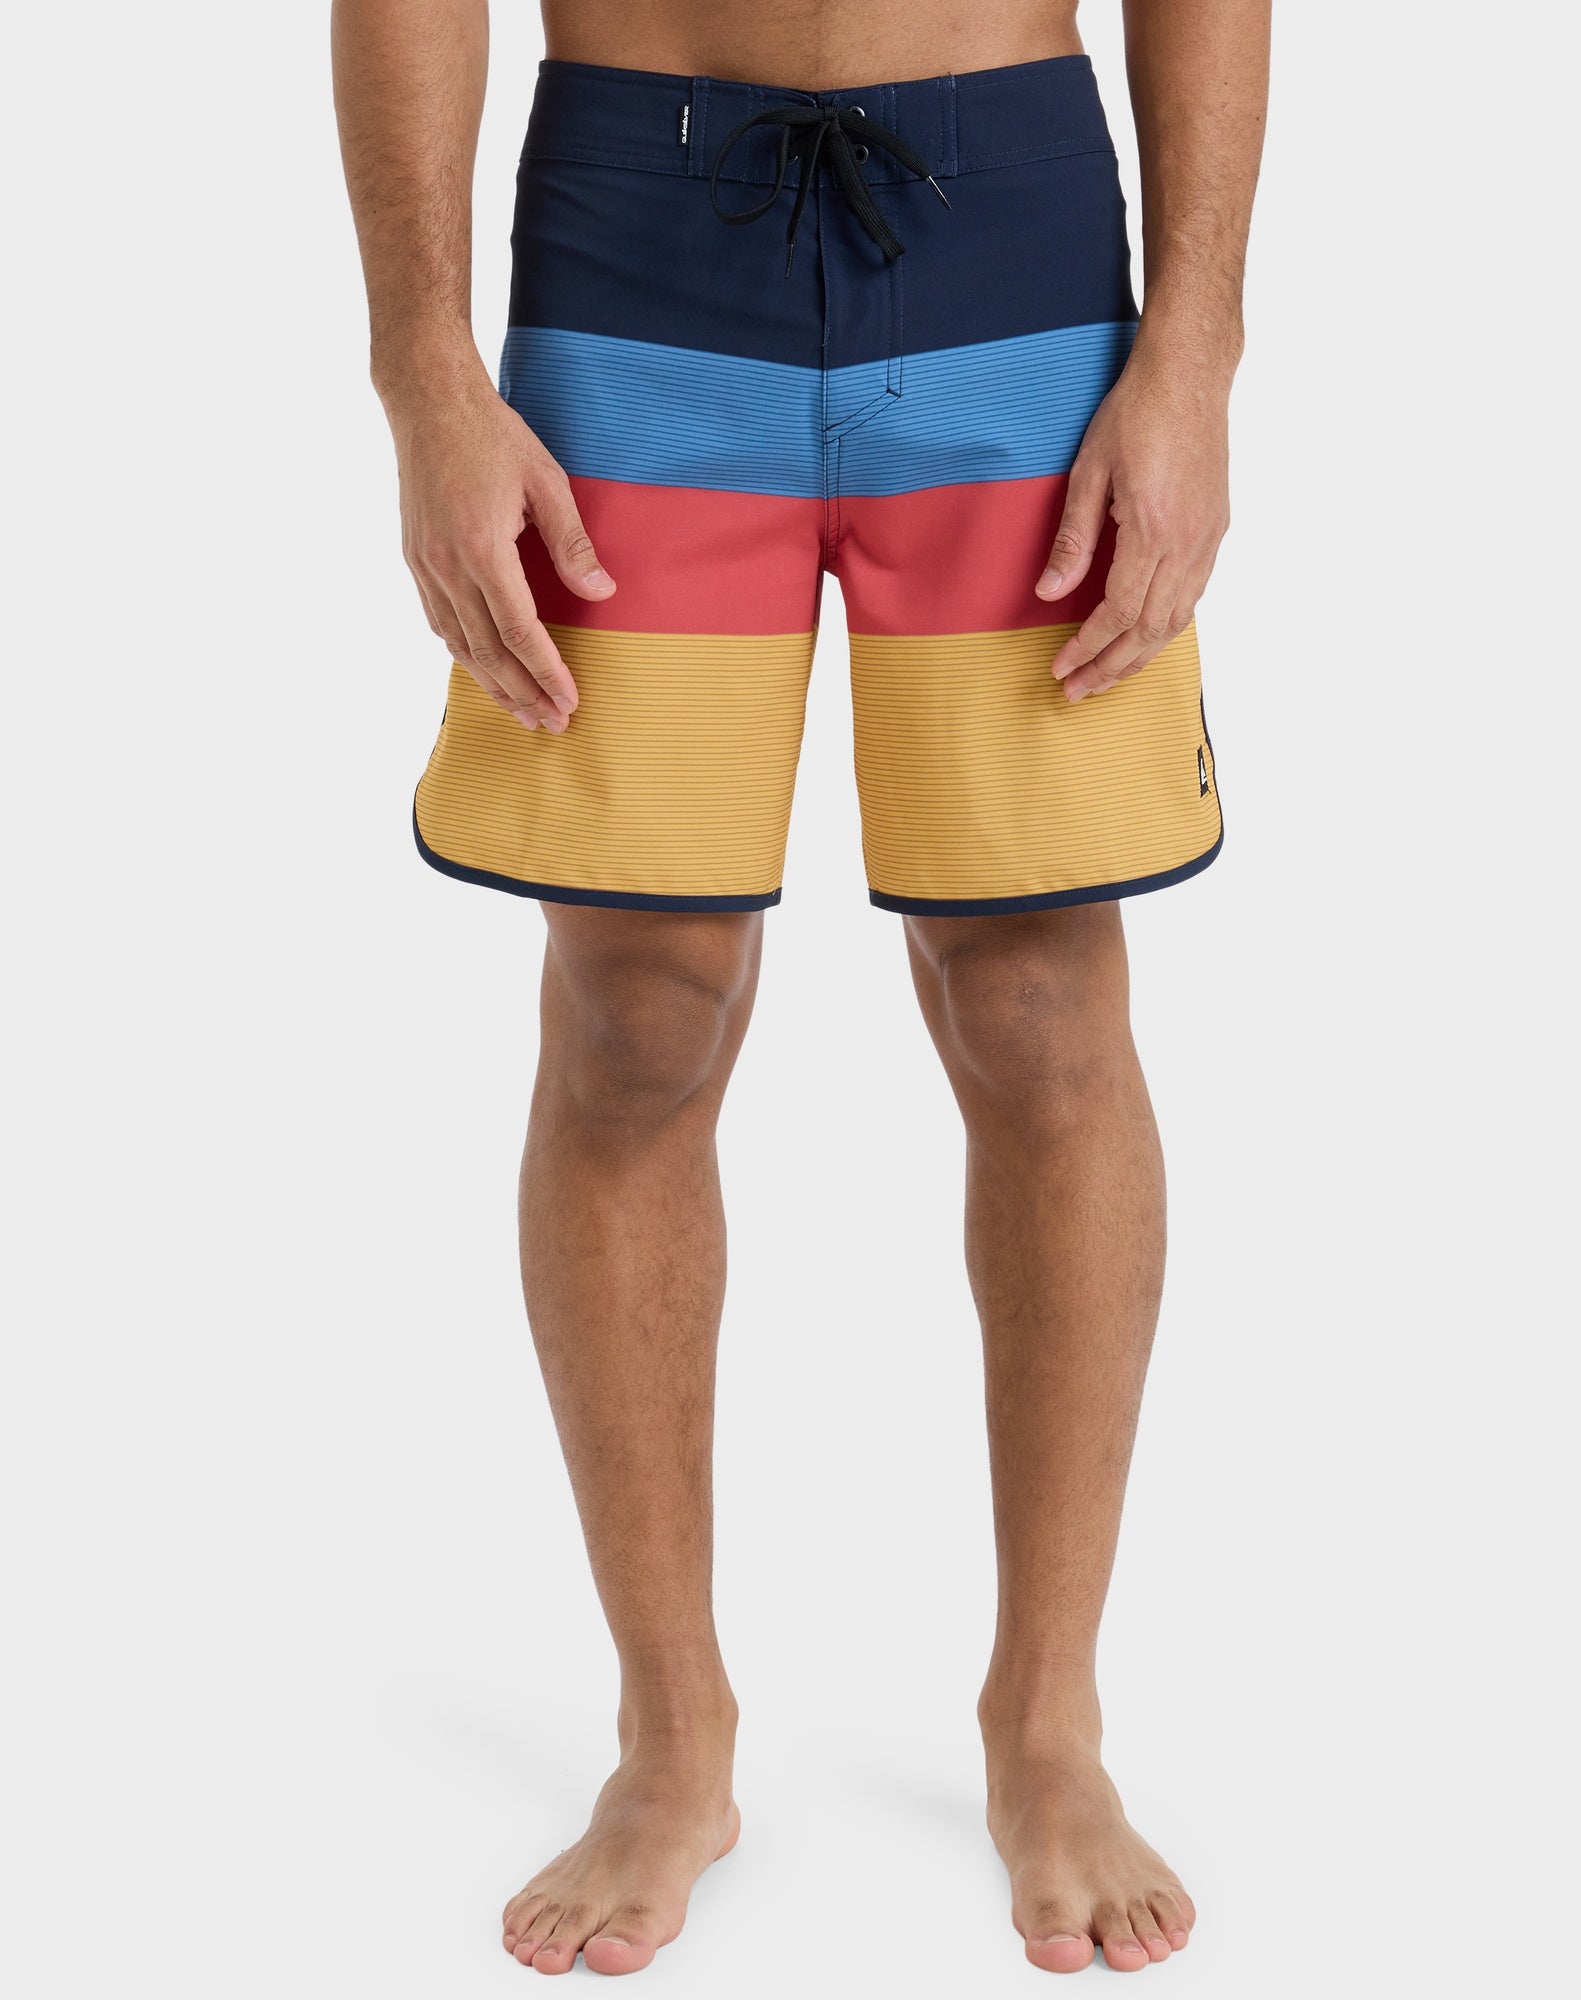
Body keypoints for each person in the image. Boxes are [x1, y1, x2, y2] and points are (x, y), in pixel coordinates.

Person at [334, 0, 1268, 1975]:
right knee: (636, 1009)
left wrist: (1194, 349)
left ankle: (1047, 1723)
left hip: (1011, 232)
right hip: (629, 244)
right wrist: (422, 369)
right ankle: (671, 1740)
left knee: (1036, 998)